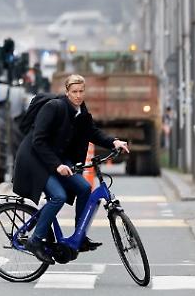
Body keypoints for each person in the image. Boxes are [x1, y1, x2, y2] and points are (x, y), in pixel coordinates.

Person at [12, 74, 130, 264]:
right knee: (59, 196)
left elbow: (92, 131)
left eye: (81, 91)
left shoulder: (80, 109)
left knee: (84, 188)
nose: (78, 95)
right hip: (35, 159)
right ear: (67, 92)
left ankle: (79, 237)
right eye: (74, 92)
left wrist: (113, 141)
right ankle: (35, 240)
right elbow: (38, 141)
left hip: (56, 157)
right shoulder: (54, 108)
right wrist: (58, 165)